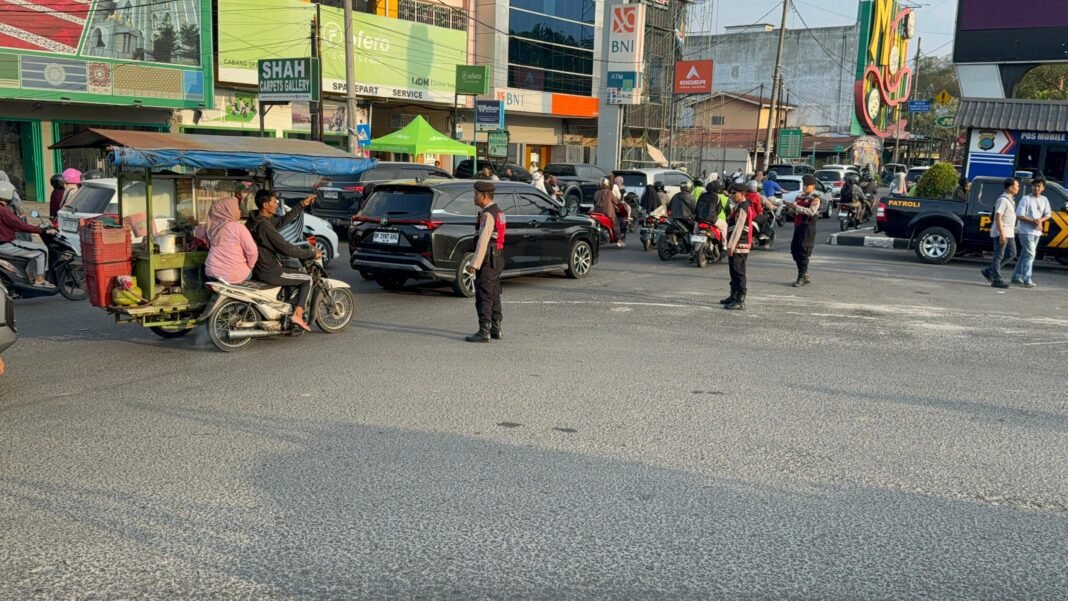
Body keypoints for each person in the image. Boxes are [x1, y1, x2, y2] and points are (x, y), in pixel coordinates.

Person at [246, 189, 320, 331]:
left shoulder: (255, 219)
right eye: (274, 202)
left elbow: (281, 221)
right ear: (265, 205)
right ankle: (297, 315)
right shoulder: (265, 226)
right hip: (270, 270)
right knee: (307, 279)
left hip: (257, 268)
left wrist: (302, 204)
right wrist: (310, 254)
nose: (277, 204)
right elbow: (286, 248)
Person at [465, 181, 505, 343]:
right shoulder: (499, 212)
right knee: (494, 292)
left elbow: (483, 240)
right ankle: (496, 328)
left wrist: (474, 263)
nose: (474, 197)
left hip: (488, 257)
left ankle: (484, 331)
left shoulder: (488, 214)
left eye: (476, 194)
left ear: (485, 196)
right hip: (497, 256)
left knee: (484, 293)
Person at [0, 182, 54, 288]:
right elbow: (20, 225)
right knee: (42, 250)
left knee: (32, 249)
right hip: (5, 244)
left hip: (5, 242)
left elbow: (13, 225)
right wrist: (41, 230)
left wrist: (35, 227)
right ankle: (40, 279)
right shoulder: (4, 211)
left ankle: (30, 276)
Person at [203, 196, 258, 284]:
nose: (240, 211)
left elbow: (197, 232)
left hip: (211, 273)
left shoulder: (211, 228)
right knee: (253, 275)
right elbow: (252, 251)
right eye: (237, 209)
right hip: (233, 274)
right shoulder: (238, 227)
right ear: (229, 211)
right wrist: (250, 266)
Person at [1011, 177, 1050, 288]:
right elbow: (1019, 215)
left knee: (1025, 254)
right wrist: (1034, 221)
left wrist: (1040, 221)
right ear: (1031, 187)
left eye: (1039, 186)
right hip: (1025, 231)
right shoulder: (1026, 199)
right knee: (1030, 254)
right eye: (1034, 186)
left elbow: (1048, 214)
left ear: (1043, 188)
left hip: (1036, 232)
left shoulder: (1044, 200)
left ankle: (1016, 277)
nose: (1036, 188)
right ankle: (1027, 279)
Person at [980, 177, 1019, 289]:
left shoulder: (1010, 200)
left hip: (1009, 232)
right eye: (1017, 186)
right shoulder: (1003, 200)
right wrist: (1002, 233)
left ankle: (989, 271)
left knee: (1012, 253)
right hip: (1002, 231)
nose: (1018, 188)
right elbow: (998, 217)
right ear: (1011, 187)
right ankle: (996, 279)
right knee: (999, 255)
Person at [722, 183, 753, 311]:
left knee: (739, 271)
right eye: (732, 193)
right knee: (733, 271)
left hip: (740, 245)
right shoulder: (739, 206)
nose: (733, 195)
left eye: (735, 193)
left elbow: (738, 228)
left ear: (742, 194)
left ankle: (740, 299)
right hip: (736, 244)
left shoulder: (743, 208)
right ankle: (733, 295)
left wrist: (730, 245)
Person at [787, 174, 821, 287]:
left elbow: (811, 212)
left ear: (813, 186)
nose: (805, 187)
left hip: (808, 228)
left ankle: (802, 276)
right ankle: (803, 274)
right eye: (804, 185)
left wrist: (796, 208)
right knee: (795, 251)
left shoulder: (815, 199)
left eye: (807, 185)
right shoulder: (799, 197)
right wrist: (790, 209)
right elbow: (793, 212)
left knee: (803, 252)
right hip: (798, 226)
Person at [594, 178, 623, 247]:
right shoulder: (609, 192)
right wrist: (620, 201)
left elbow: (594, 201)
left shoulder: (596, 192)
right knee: (615, 223)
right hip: (607, 212)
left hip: (597, 211)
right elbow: (615, 201)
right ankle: (619, 239)